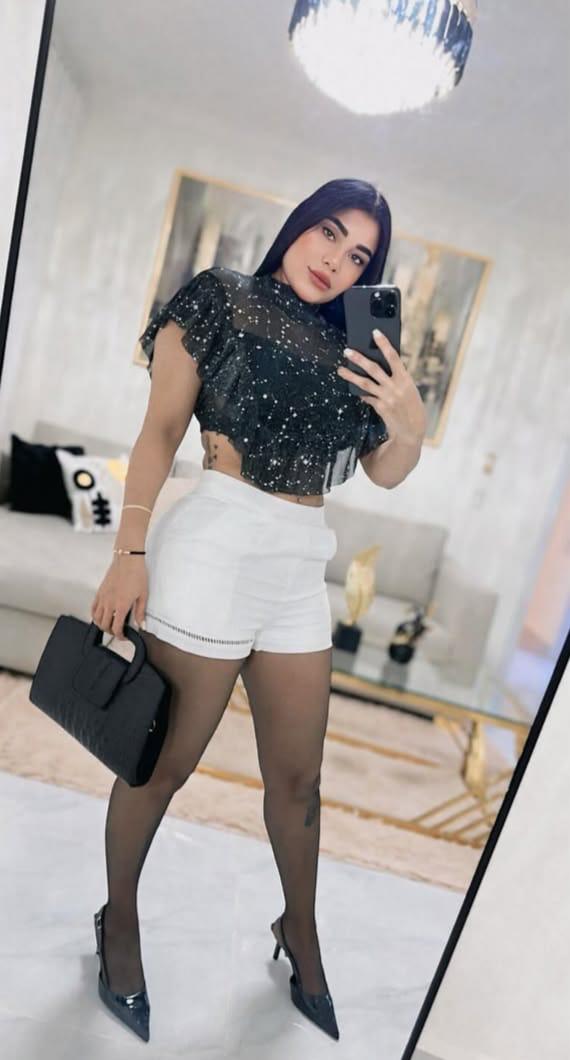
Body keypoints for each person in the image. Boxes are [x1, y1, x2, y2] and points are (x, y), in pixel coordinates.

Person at [90, 177, 426, 1044]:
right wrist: (129, 554)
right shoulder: (221, 298)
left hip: (299, 566)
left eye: (359, 255)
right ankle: (118, 921)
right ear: (297, 227)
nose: (336, 260)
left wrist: (410, 424)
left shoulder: (356, 346)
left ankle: (298, 930)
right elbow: (161, 430)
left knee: (299, 780)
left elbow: (385, 472)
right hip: (214, 548)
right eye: (328, 233)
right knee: (162, 766)